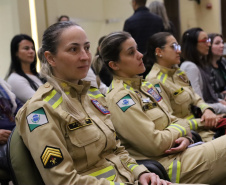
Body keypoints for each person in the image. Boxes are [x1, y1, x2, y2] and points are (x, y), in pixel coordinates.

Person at [15, 21, 171, 185]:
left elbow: (116, 150)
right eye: (74, 49)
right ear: (51, 58)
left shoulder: (92, 96)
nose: (85, 56)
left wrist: (141, 173)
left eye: (87, 48)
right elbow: (63, 181)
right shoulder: (40, 110)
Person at [97, 31, 226, 184]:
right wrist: (183, 131)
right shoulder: (121, 98)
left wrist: (186, 137)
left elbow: (173, 118)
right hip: (168, 167)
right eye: (131, 53)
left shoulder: (145, 86)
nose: (140, 55)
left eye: (137, 49)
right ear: (114, 65)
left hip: (185, 150)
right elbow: (155, 144)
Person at [144, 32, 219, 142]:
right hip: (186, 134)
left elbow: (193, 95)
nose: (179, 51)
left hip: (202, 128)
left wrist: (207, 110)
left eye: (178, 46)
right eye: (173, 47)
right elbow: (168, 120)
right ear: (159, 51)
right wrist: (203, 121)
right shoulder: (155, 81)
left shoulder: (177, 71)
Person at [180, 28, 226, 114]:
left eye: (208, 40)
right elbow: (198, 104)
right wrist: (222, 106)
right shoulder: (190, 67)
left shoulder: (201, 65)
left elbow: (209, 97)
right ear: (193, 44)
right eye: (204, 41)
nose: (209, 44)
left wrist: (219, 101)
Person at [6, 34, 44, 103]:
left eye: (32, 48)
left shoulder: (40, 75)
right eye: (26, 48)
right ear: (16, 53)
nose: (31, 51)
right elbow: (40, 102)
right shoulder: (15, 79)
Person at [206, 33, 226, 100]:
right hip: (217, 102)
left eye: (222, 43)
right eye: (217, 43)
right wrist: (222, 95)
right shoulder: (205, 67)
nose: (222, 45)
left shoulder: (223, 62)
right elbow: (208, 94)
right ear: (208, 46)